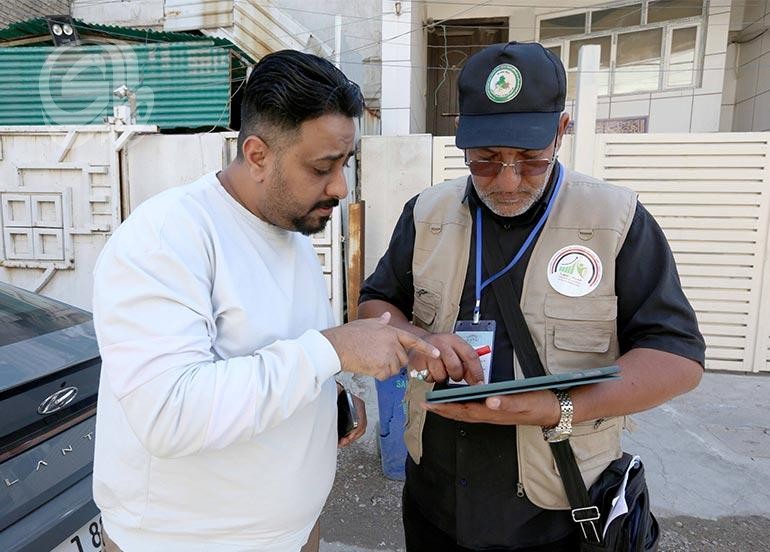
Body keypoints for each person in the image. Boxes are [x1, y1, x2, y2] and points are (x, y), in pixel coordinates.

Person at [359, 41, 705, 551]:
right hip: (434, 501)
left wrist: (556, 407)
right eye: (485, 159)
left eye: (529, 159)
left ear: (561, 132)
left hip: (557, 513)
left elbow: (677, 357)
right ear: (462, 139)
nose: (506, 180)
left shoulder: (616, 220)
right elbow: (375, 305)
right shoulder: (426, 213)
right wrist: (416, 339)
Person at [91, 50, 439, 552]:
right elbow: (170, 414)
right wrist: (332, 351)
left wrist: (330, 401)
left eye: (346, 163)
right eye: (323, 166)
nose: (341, 186)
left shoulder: (290, 230)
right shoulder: (167, 237)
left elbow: (271, 357)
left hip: (294, 532)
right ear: (257, 155)